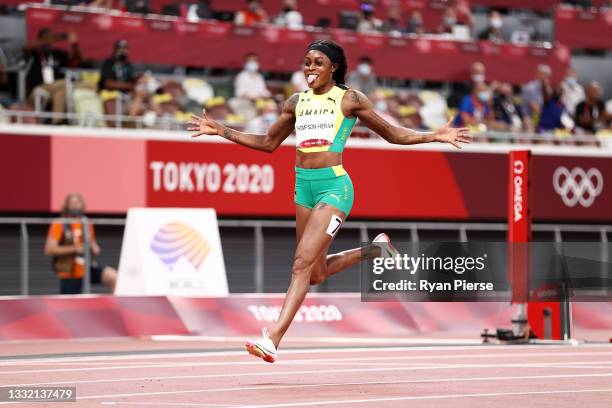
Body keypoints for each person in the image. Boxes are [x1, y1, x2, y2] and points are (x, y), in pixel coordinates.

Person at [188, 39, 471, 363]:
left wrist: (433, 135)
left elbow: (392, 133)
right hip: (302, 188)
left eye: (317, 62)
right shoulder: (296, 101)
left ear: (333, 67)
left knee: (300, 265)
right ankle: (374, 250)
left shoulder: (349, 99)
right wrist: (221, 130)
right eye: (306, 62)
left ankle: (273, 339)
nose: (310, 68)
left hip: (334, 188)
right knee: (316, 272)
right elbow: (268, 143)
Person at [45, 193, 117, 295]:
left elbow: (92, 243)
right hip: (69, 272)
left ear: (82, 205)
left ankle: (114, 308)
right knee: (70, 305)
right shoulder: (59, 223)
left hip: (87, 267)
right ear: (66, 205)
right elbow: (49, 249)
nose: (75, 205)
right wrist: (75, 248)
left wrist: (94, 246)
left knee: (114, 278)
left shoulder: (86, 223)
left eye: (77, 202)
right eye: (72, 203)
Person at [23, 28, 82, 124]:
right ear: (40, 39)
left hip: (57, 87)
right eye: (47, 37)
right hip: (39, 88)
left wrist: (74, 44)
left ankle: (57, 122)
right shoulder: (35, 52)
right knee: (67, 83)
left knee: (62, 91)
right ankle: (56, 121)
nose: (50, 40)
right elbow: (25, 48)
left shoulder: (57, 53)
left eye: (51, 37)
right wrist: (49, 40)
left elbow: (78, 59)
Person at [98, 40, 135, 124]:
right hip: (109, 95)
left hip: (126, 96)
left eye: (126, 49)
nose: (123, 51)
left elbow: (131, 83)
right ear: (115, 50)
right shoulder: (109, 63)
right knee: (113, 108)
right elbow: (107, 83)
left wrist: (137, 80)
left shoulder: (128, 65)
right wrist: (127, 86)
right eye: (121, 48)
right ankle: (112, 131)